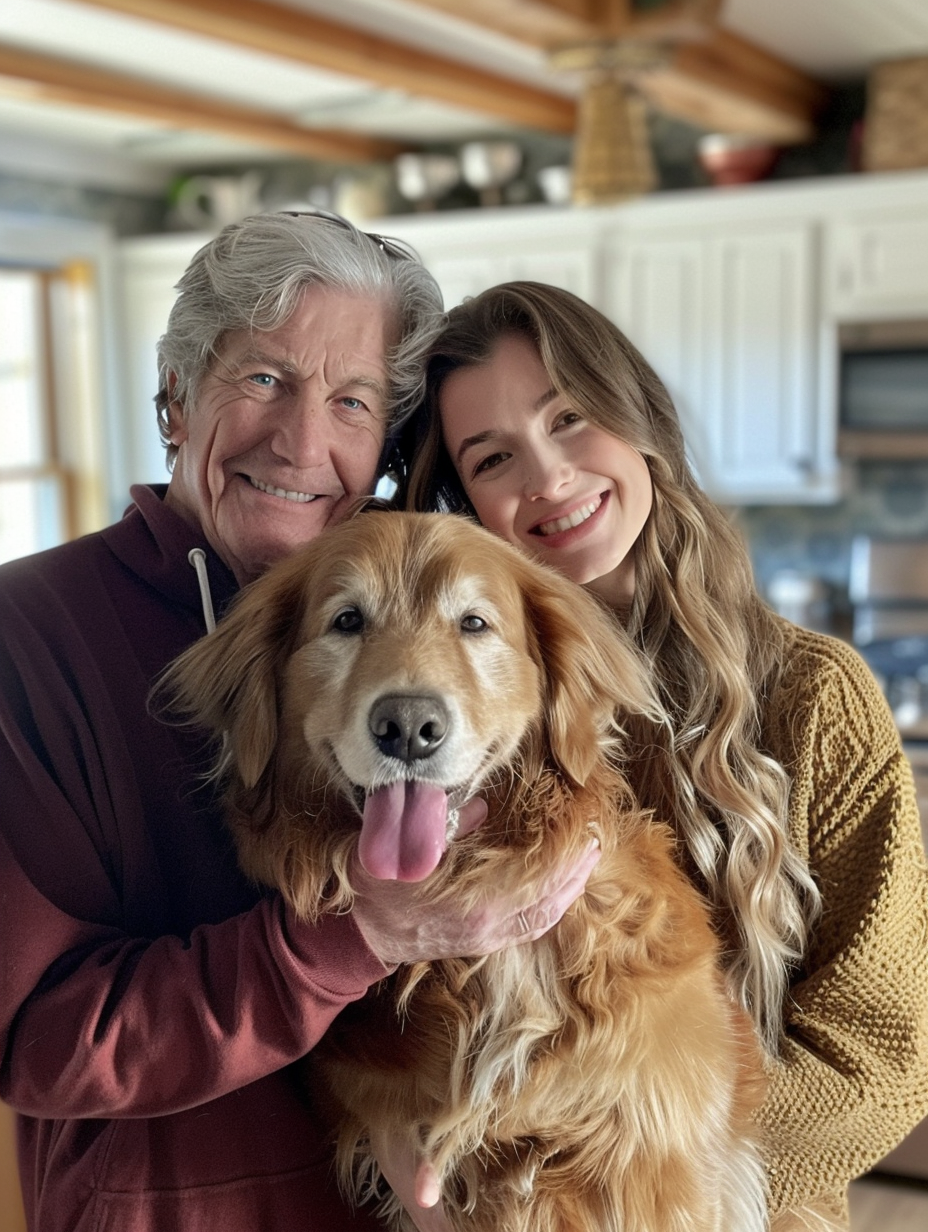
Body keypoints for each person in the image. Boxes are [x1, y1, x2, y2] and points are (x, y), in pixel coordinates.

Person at [0, 219, 600, 1232]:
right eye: (264, 379)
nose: (301, 441)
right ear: (176, 397)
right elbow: (39, 1039)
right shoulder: (29, 633)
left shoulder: (447, 662)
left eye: (352, 401)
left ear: (382, 445)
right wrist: (346, 935)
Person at [403, 279, 928, 1229]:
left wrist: (635, 1173)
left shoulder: (814, 698)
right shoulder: (467, 730)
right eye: (493, 458)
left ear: (637, 412)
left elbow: (879, 1058)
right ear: (466, 504)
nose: (549, 477)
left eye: (570, 418)